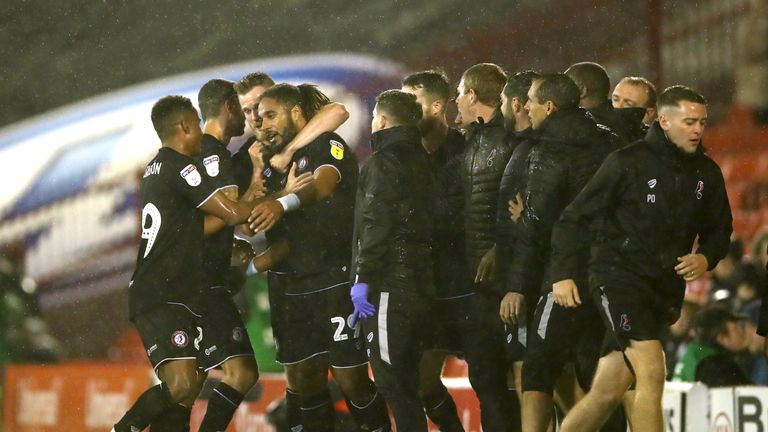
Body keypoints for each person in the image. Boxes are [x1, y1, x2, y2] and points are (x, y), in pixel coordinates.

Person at [552, 85, 732, 432]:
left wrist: (706, 258)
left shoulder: (707, 173)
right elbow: (572, 218)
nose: (698, 129)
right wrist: (562, 273)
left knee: (608, 391)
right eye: (689, 121)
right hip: (617, 278)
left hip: (661, 289)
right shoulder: (626, 162)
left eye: (702, 122)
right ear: (664, 121)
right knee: (651, 369)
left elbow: (721, 230)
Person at [112, 96, 261, 432]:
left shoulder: (157, 167)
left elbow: (190, 229)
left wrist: (229, 243)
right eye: (196, 123)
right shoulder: (182, 166)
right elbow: (234, 213)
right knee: (182, 386)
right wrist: (280, 196)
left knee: (186, 389)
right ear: (185, 126)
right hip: (164, 291)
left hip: (170, 289)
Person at [249, 83, 390, 432]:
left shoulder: (326, 144)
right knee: (303, 381)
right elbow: (251, 215)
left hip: (333, 277)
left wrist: (281, 203)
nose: (263, 123)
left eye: (271, 115)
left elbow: (323, 185)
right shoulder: (266, 164)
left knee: (350, 379)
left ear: (296, 113)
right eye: (259, 117)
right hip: (288, 285)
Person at [509, 73, 621, 432]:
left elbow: (540, 221)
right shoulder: (610, 142)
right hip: (606, 273)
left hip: (564, 275)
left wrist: (524, 220)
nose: (527, 106)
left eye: (532, 100)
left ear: (550, 106)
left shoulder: (550, 147)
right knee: (594, 368)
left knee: (537, 366)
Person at [348, 89, 434, 431]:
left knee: (393, 384)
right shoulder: (426, 159)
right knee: (411, 382)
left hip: (389, 286)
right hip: (423, 283)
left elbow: (376, 224)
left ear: (380, 121)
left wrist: (362, 279)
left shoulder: (382, 163)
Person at [454, 62, 518, 431]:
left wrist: (498, 247)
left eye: (460, 93)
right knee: (488, 378)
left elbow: (528, 201)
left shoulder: (511, 139)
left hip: (502, 280)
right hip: (480, 281)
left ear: (473, 96)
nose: (456, 101)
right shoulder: (472, 139)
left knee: (507, 379)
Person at [401, 69, 466, 431]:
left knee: (497, 380)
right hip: (428, 287)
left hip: (471, 283)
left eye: (414, 103)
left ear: (438, 105)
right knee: (422, 383)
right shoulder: (404, 157)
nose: (407, 113)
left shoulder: (467, 148)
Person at [565, 62, 646, 143]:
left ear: (582, 91)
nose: (559, 92)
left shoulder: (578, 131)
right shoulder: (632, 124)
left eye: (564, 86)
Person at [674, 304, 751, 386]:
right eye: (736, 328)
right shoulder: (716, 366)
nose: (742, 331)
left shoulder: (695, 354)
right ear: (721, 338)